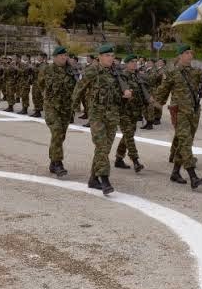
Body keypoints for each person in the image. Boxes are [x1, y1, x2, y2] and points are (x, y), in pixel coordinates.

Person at [153, 44, 202, 189]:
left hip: (194, 112)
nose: (190, 55)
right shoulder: (172, 73)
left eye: (191, 53)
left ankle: (175, 172)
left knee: (184, 143)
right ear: (180, 55)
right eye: (187, 53)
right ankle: (193, 176)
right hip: (180, 112)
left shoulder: (195, 71)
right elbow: (163, 91)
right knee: (186, 143)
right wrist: (156, 104)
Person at [71, 44, 130, 195]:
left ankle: (93, 178)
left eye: (112, 56)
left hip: (112, 115)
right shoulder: (92, 70)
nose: (111, 58)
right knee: (102, 147)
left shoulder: (117, 72)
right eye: (108, 56)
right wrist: (73, 108)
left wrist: (127, 93)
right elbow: (79, 88)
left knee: (103, 149)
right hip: (97, 115)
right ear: (100, 57)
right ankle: (105, 179)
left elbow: (122, 91)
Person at [41, 46, 77, 177]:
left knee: (60, 136)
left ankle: (52, 161)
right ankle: (58, 163)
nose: (64, 57)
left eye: (65, 55)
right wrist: (47, 99)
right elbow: (41, 85)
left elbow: (76, 87)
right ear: (55, 57)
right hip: (52, 107)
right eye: (61, 56)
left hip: (66, 109)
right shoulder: (47, 69)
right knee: (56, 131)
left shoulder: (71, 71)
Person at [114, 54, 146, 172]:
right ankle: (136, 161)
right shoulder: (122, 77)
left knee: (128, 135)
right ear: (126, 64)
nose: (134, 63)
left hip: (134, 111)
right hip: (123, 111)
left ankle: (118, 158)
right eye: (131, 62)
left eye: (135, 61)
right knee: (129, 135)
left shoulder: (137, 76)